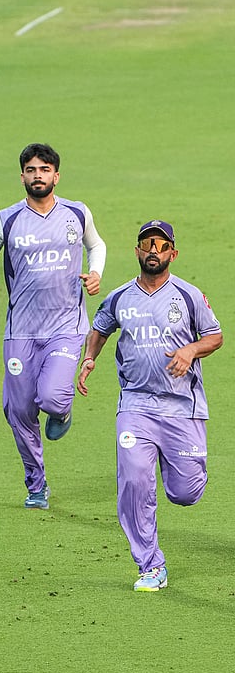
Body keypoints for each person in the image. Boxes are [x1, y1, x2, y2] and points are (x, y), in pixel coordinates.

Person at [77, 219, 223, 591]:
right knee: (133, 481)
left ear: (173, 253)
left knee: (185, 493)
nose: (153, 251)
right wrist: (90, 358)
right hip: (135, 406)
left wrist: (191, 350)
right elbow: (100, 328)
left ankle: (172, 466)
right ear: (137, 251)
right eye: (147, 244)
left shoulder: (189, 296)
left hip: (182, 408)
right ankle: (150, 565)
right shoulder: (119, 297)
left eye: (161, 245)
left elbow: (215, 336)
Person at [0, 143, 106, 510]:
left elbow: (97, 246)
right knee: (19, 412)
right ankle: (36, 484)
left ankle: (62, 410)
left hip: (66, 327)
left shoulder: (77, 213)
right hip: (21, 331)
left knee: (51, 397)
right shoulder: (6, 219)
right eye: (31, 170)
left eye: (44, 170)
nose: (38, 176)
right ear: (22, 177)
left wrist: (95, 273)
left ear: (56, 176)